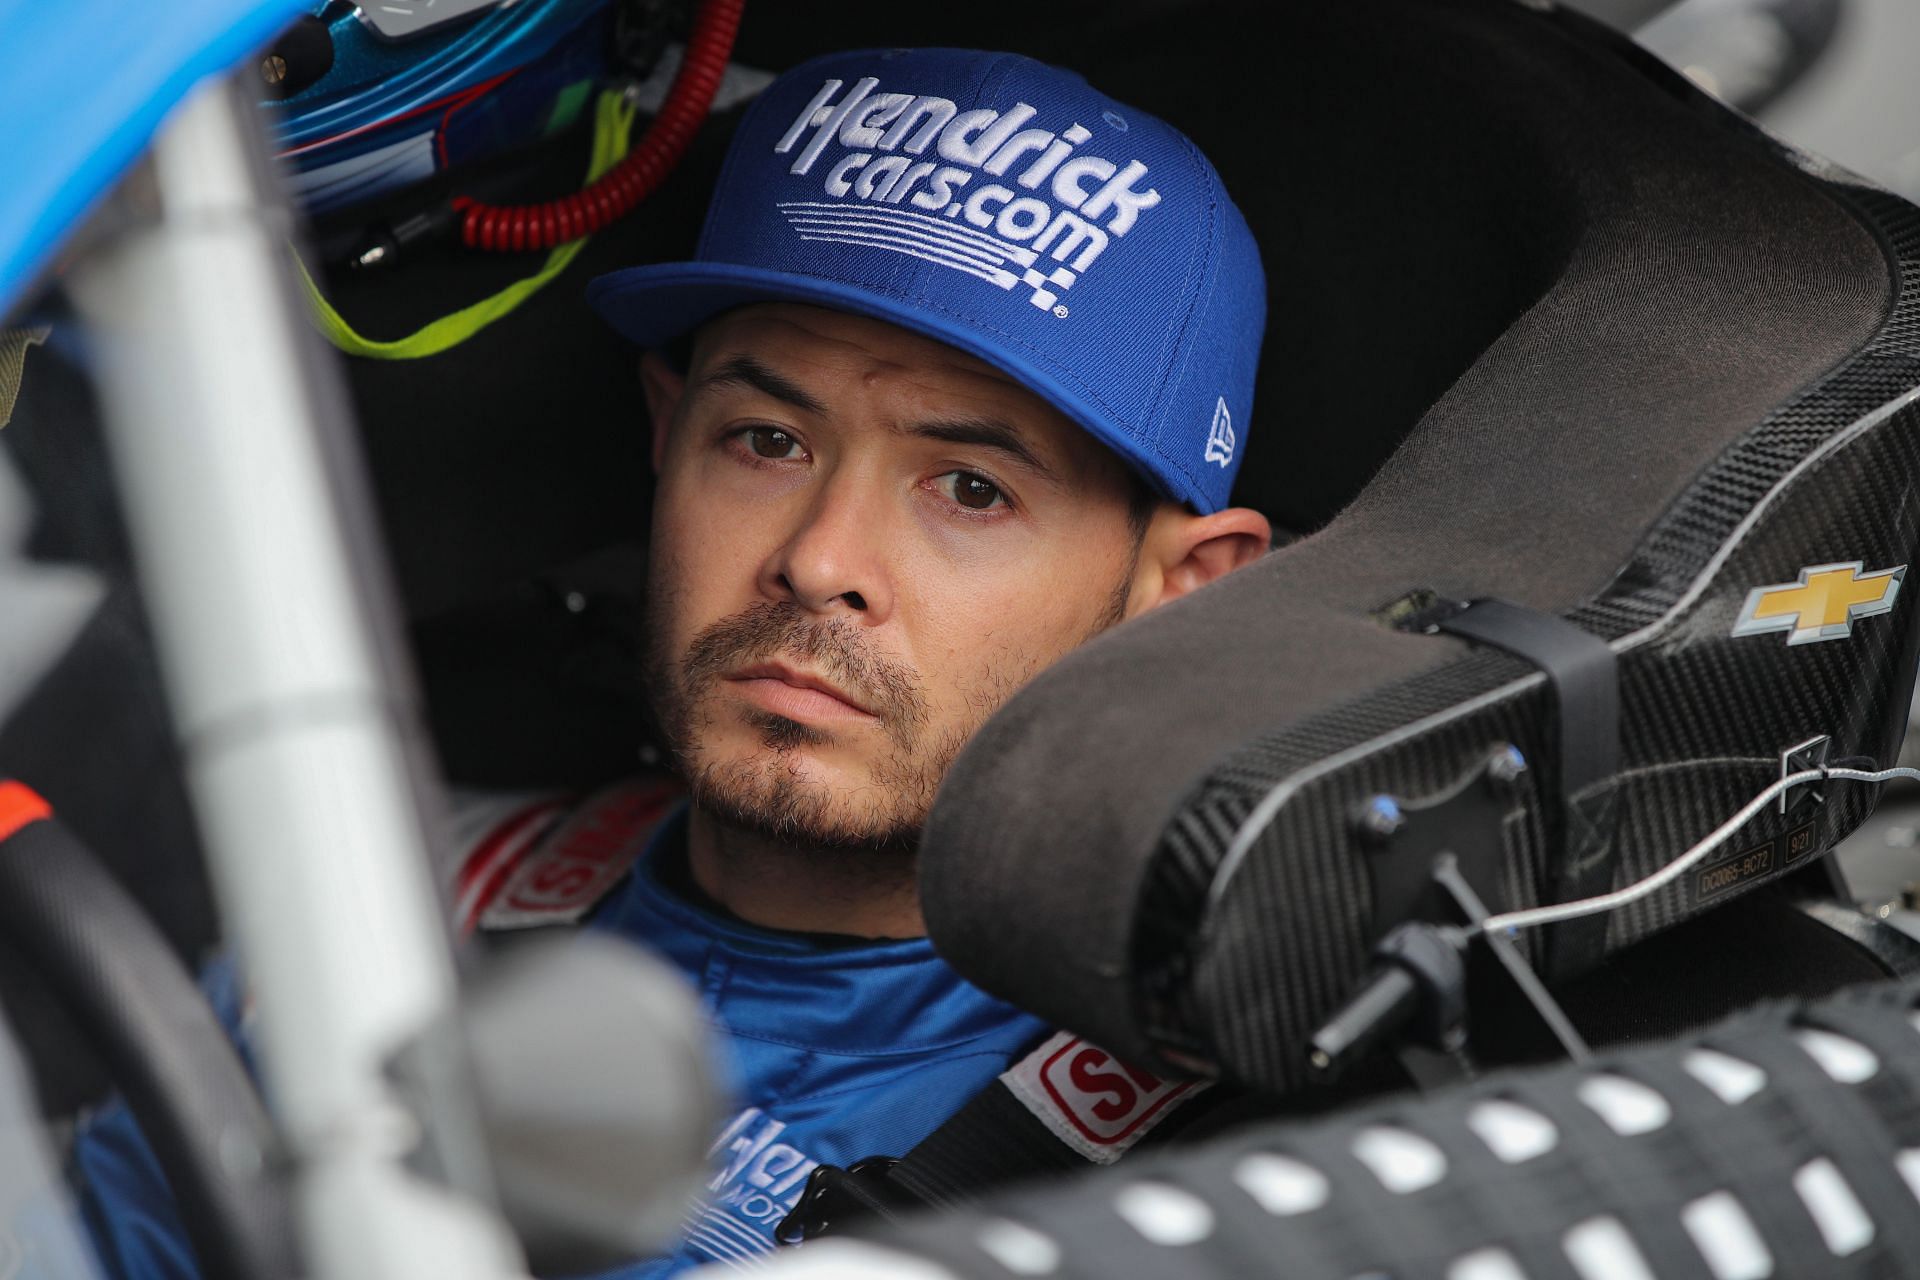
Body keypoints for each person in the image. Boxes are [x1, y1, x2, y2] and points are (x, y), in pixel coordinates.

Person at [72, 45, 1270, 1279]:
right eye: (766, 439)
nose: (820, 560)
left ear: (1179, 593)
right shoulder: (377, 917)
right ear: (665, 430)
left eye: (969, 488)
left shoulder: (1230, 1167)